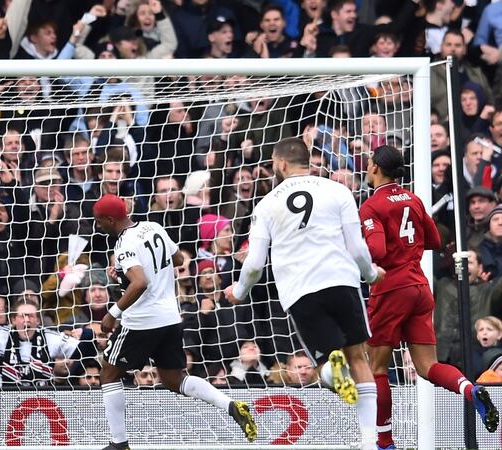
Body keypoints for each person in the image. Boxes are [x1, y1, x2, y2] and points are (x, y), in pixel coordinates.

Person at [224, 137, 384, 450]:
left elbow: (255, 263)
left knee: (325, 363)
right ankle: (370, 442)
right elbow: (356, 246)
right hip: (342, 282)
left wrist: (239, 290)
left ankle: (329, 373)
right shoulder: (337, 190)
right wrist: (371, 274)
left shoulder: (267, 204)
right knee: (359, 358)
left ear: (281, 163)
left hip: (301, 291)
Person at [360, 145, 499, 449]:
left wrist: (357, 253)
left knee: (377, 368)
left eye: (370, 162)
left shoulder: (372, 206)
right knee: (427, 367)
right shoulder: (413, 199)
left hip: (391, 289)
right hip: (420, 289)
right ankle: (468, 389)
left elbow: (378, 251)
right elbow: (435, 240)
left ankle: (385, 442)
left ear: (376, 169)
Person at [93, 194, 256, 450]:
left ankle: (118, 443)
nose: (98, 226)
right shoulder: (154, 227)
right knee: (173, 380)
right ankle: (230, 404)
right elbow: (178, 260)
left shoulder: (124, 244)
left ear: (110, 219)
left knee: (108, 373)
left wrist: (112, 312)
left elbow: (140, 282)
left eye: (99, 221)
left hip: (142, 321)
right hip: (170, 318)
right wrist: (125, 273)